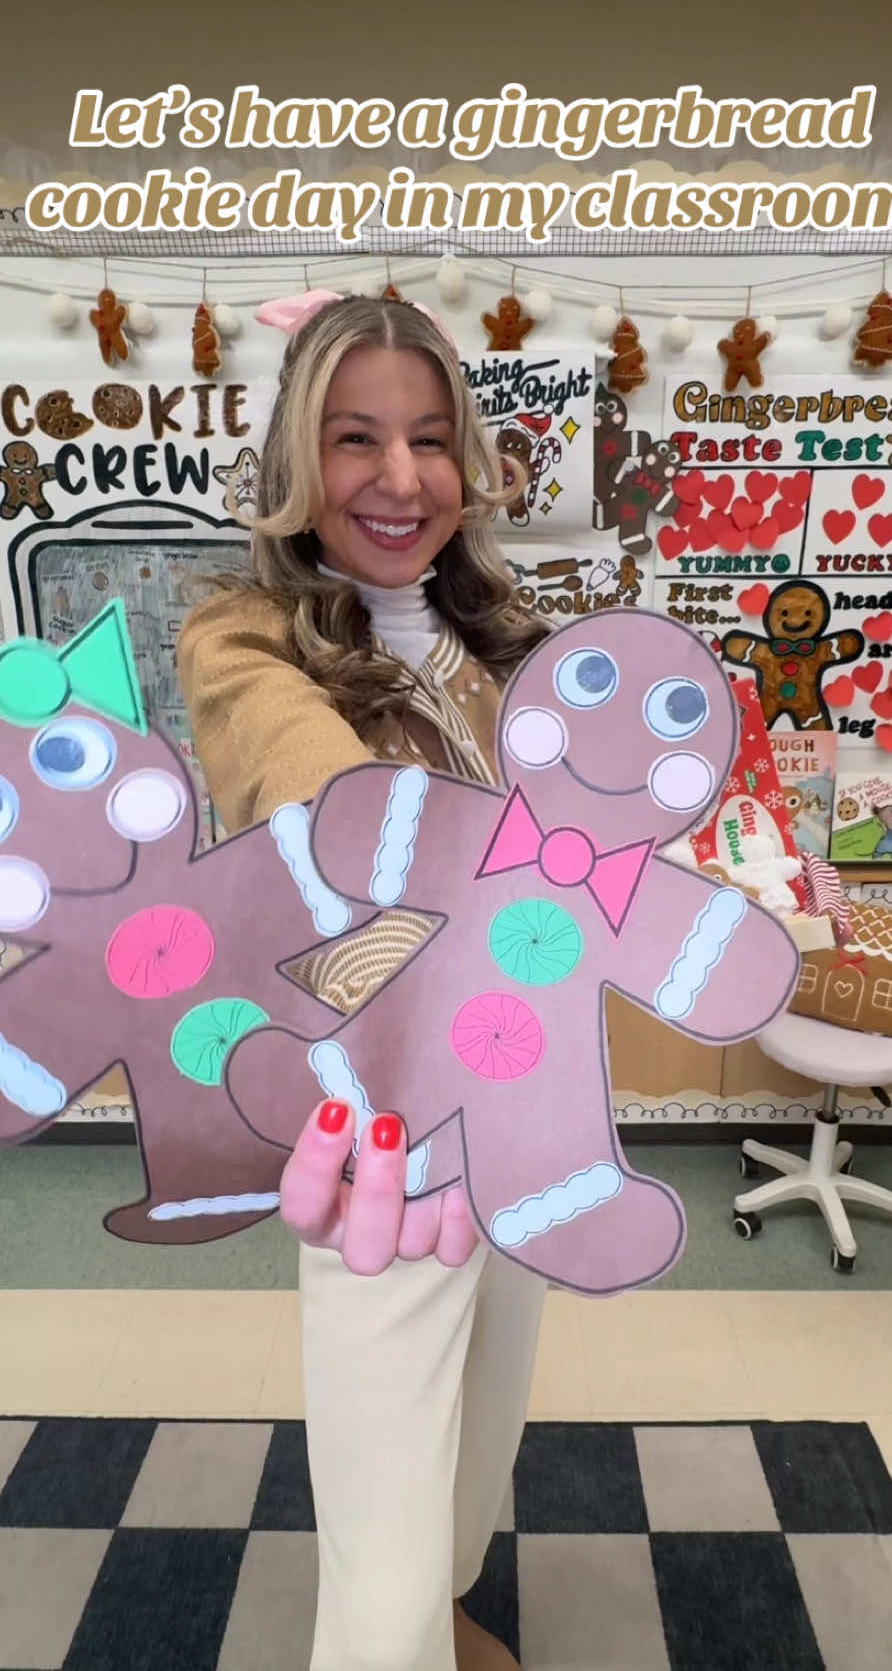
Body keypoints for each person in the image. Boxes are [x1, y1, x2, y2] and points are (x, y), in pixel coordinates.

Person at [177, 292, 552, 1671]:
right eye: (354, 439)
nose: (400, 480)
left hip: (528, 1111)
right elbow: (315, 792)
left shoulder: (504, 644)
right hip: (380, 1143)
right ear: (294, 456)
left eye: (430, 439)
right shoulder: (242, 641)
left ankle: (448, 1616)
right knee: (381, 1545)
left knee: (479, 1430)